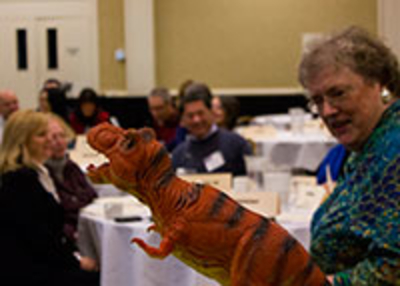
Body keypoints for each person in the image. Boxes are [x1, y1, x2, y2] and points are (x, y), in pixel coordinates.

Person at [298, 26, 400, 284]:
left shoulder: (394, 149)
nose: (328, 110)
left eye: (338, 93)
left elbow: (393, 267)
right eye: (318, 100)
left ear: (380, 85)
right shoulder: (366, 147)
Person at [0, 110, 99, 286]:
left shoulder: (38, 173)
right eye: (41, 135)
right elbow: (38, 240)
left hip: (43, 263)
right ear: (23, 140)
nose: (50, 140)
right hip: (31, 272)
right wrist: (77, 262)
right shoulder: (19, 180)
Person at [172, 82, 252, 176]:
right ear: (183, 120)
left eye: (201, 113)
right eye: (190, 116)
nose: (196, 120)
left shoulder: (236, 145)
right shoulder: (179, 155)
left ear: (211, 112)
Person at [46, 113, 98, 243]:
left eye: (62, 136)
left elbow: (91, 194)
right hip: (64, 236)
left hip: (83, 227)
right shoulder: (41, 173)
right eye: (53, 137)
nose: (59, 142)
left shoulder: (71, 166)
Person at [147, 87, 180, 151]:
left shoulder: (182, 123)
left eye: (159, 108)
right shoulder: (150, 124)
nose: (155, 113)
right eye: (152, 109)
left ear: (169, 105)